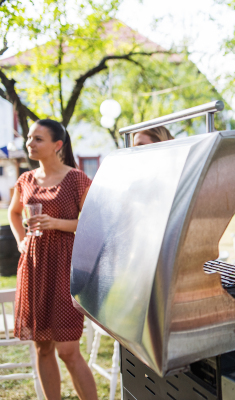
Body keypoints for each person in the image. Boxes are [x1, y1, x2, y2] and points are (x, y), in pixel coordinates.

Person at [8, 119, 98, 400]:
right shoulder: (25, 180)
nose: (30, 144)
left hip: (65, 268)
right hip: (34, 267)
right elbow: (13, 213)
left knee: (68, 351)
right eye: (29, 138)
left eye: (38, 139)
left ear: (57, 145)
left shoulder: (77, 179)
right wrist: (21, 239)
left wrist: (56, 222)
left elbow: (95, 224)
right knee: (42, 347)